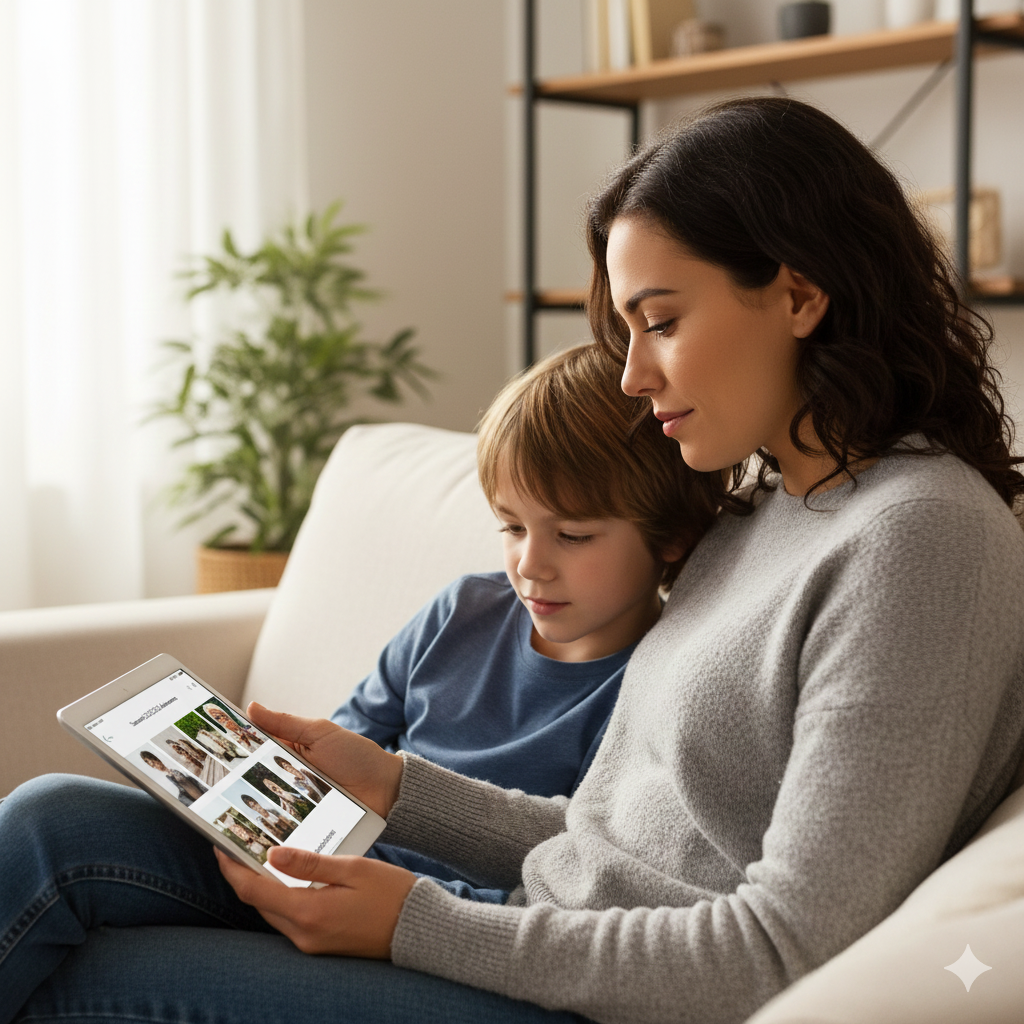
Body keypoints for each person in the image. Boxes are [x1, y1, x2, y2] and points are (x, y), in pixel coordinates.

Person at [4, 96, 1024, 1024]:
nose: (631, 373)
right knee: (54, 820)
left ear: (799, 295)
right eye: (626, 329)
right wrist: (392, 784)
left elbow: (782, 951)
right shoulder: (760, 509)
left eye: (661, 321)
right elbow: (603, 840)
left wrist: (416, 923)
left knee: (80, 979)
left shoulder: (919, 539)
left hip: (596, 1002)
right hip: (542, 933)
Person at [333, 342, 712, 889]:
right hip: (328, 865)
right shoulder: (461, 611)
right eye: (512, 528)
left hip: (415, 922)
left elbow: (575, 878)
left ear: (674, 534)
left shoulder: (649, 692)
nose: (530, 565)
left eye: (573, 535)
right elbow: (346, 740)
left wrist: (392, 903)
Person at [138, 751, 207, 807]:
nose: (155, 766)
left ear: (157, 759)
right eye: (152, 765)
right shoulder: (164, 778)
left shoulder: (173, 766)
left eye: (154, 762)